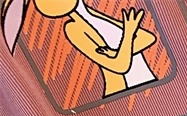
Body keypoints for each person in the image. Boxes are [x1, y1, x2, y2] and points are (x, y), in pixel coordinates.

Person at [3, 1, 158, 96]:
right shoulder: (74, 29)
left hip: (145, 86)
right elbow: (120, 66)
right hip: (124, 92)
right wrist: (128, 34)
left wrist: (117, 50)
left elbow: (147, 38)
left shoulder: (93, 15)